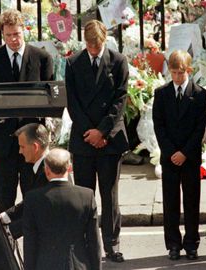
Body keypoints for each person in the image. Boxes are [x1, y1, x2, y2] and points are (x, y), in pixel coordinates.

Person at [65, 19, 129, 263]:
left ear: (104, 40)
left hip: (109, 139)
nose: (93, 49)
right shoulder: (73, 63)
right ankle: (86, 243)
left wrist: (102, 132)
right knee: (84, 194)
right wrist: (89, 133)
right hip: (84, 138)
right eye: (89, 44)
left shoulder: (118, 61)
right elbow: (73, 102)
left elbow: (120, 100)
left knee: (109, 194)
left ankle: (112, 244)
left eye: (97, 44)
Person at [0, 9, 53, 210]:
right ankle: (7, 241)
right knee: (3, 201)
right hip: (3, 141)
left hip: (32, 141)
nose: (13, 40)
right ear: (3, 35)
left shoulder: (42, 58)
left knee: (34, 198)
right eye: (9, 35)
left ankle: (34, 240)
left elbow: (50, 98)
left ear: (24, 32)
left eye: (17, 34)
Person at [152, 50, 206, 260]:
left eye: (181, 73)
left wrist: (184, 152)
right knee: (171, 202)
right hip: (170, 156)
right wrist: (171, 152)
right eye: (173, 72)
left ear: (189, 70)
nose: (177, 77)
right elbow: (159, 126)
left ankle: (192, 243)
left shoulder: (200, 94)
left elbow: (199, 128)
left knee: (192, 201)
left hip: (190, 156)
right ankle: (173, 244)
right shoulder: (162, 93)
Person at [23, 148, 101, 270]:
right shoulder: (87, 196)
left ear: (46, 170)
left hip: (45, 264)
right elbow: (94, 241)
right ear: (69, 168)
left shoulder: (33, 198)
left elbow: (30, 243)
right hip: (78, 264)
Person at [0, 123, 50, 239]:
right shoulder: (41, 167)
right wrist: (5, 216)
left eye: (22, 147)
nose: (20, 152)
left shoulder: (47, 172)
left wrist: (10, 231)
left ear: (35, 147)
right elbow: (31, 200)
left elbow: (39, 212)